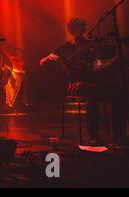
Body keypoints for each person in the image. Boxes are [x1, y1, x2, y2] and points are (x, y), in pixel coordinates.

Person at [40, 17, 127, 146]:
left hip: (95, 84)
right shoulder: (68, 47)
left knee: (120, 92)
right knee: (93, 95)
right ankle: (94, 135)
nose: (84, 32)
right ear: (71, 30)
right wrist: (55, 60)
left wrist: (113, 58)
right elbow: (43, 62)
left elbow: (98, 65)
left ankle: (118, 134)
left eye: (85, 29)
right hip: (78, 85)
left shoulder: (92, 46)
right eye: (81, 29)